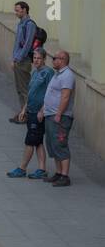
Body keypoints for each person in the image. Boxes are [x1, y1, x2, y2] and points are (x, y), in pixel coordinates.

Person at [8, 48, 53, 180]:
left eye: (39, 58)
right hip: (31, 111)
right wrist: (24, 110)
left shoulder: (48, 73)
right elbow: (31, 93)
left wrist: (42, 110)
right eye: (34, 58)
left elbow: (51, 94)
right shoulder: (34, 73)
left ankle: (22, 168)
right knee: (38, 142)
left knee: (30, 141)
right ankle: (42, 169)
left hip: (39, 113)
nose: (36, 61)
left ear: (44, 59)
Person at [38, 51, 75, 186]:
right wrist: (43, 110)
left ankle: (65, 176)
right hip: (50, 114)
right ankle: (58, 173)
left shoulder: (67, 75)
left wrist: (59, 114)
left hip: (60, 117)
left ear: (63, 60)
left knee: (60, 144)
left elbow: (65, 96)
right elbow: (50, 94)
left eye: (55, 58)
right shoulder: (57, 74)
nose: (53, 60)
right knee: (52, 145)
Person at [9, 1, 37, 121]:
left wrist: (18, 59)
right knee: (19, 89)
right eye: (15, 10)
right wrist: (13, 59)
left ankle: (26, 114)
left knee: (25, 89)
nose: (16, 12)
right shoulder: (21, 23)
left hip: (23, 61)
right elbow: (16, 44)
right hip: (17, 60)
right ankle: (22, 112)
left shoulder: (29, 24)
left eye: (18, 10)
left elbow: (27, 45)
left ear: (25, 10)